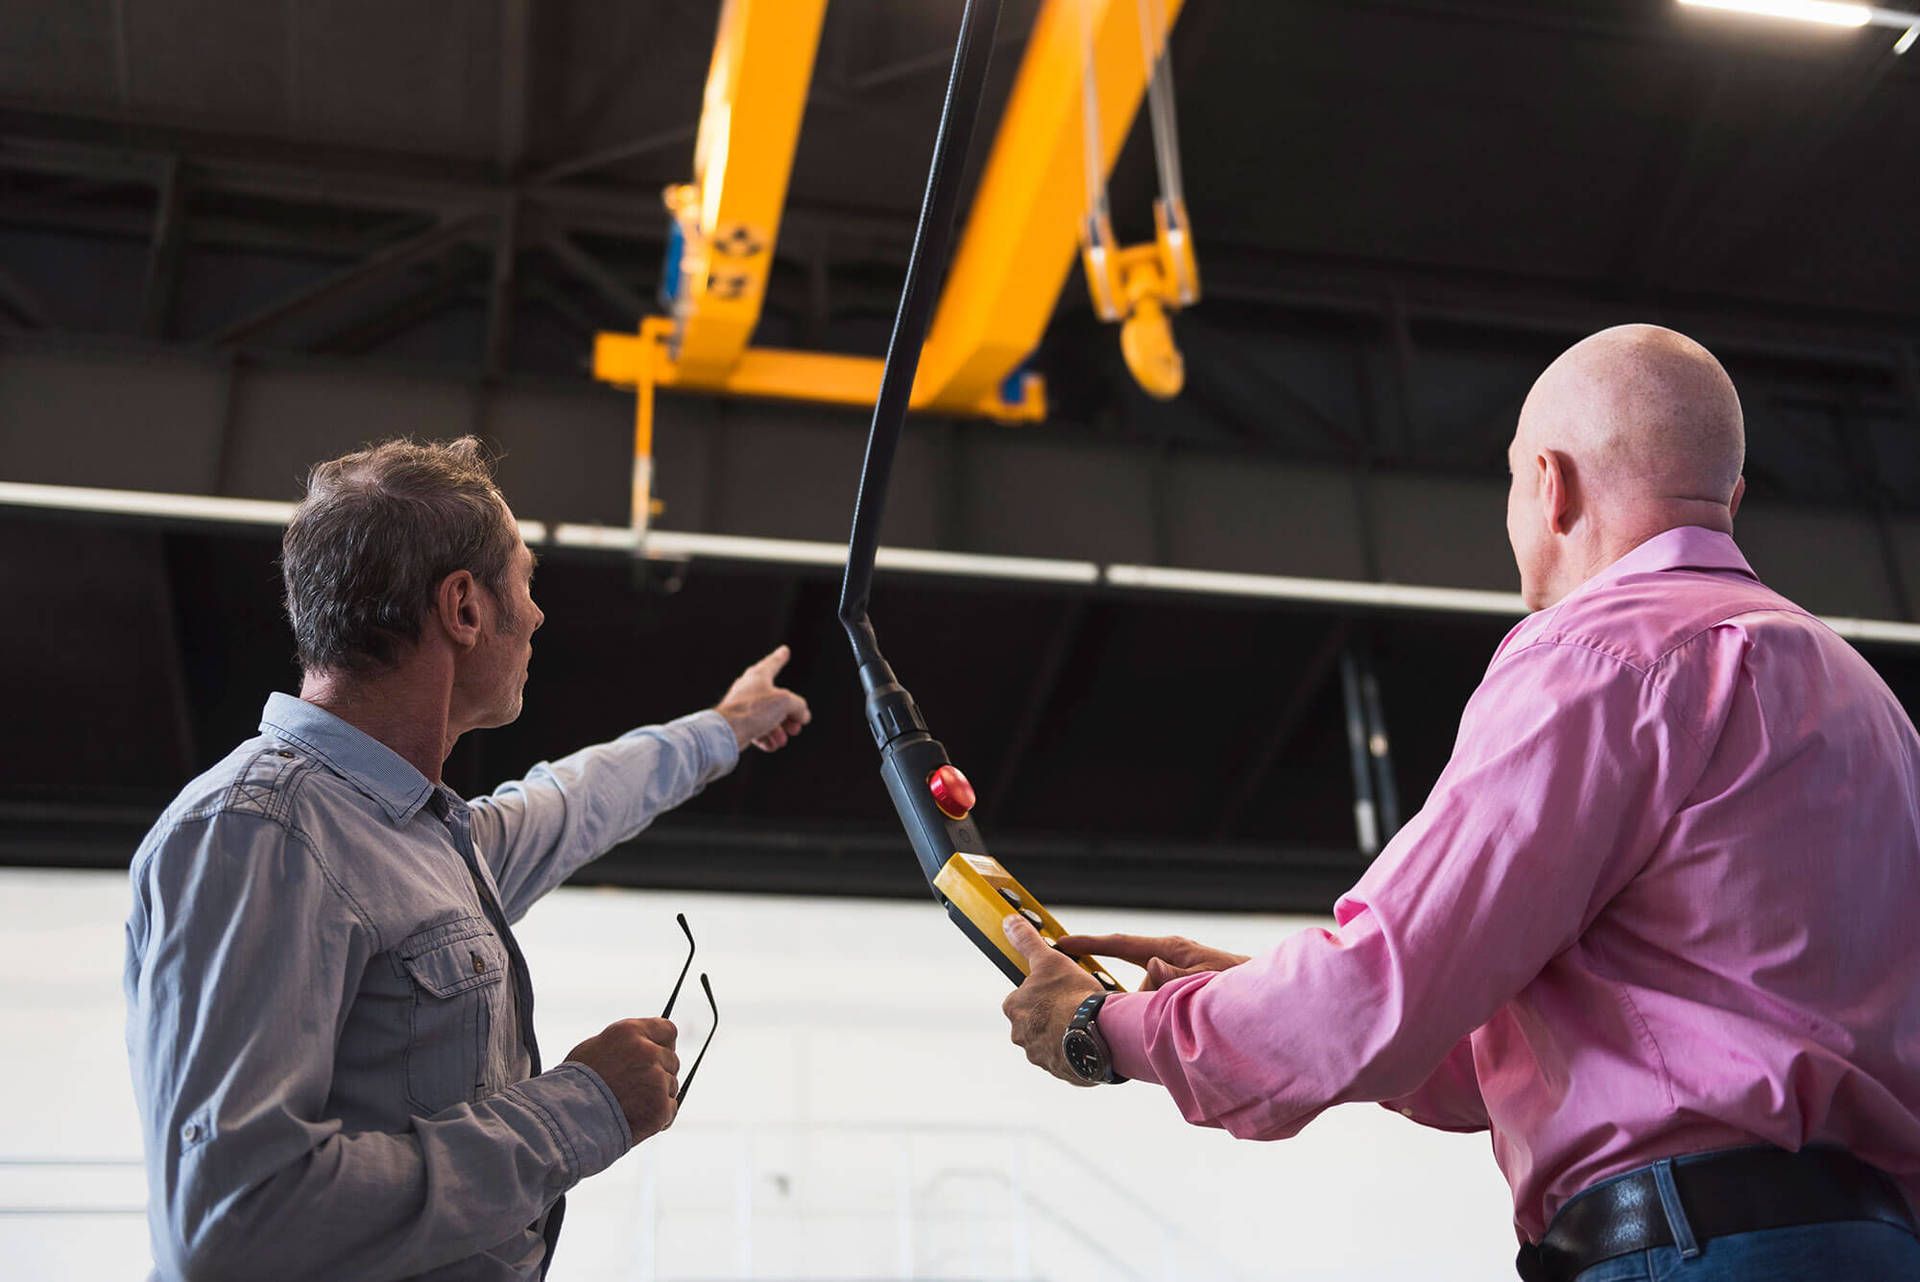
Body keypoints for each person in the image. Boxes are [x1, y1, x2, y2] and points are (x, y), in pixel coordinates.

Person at [999, 325, 1920, 1281]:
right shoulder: (1867, 703)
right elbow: (1528, 1032)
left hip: (1690, 1251)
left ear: (1549, 486)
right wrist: (1237, 995)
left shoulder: (1598, 659)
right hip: (1873, 1243)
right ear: (1730, 499)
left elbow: (1381, 987)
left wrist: (1108, 1031)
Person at [124, 436, 811, 1281]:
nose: (538, 614)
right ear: (463, 607)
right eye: (525, 581)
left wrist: (725, 728)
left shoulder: (416, 834)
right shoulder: (259, 834)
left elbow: (576, 800)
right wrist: (581, 1108)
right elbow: (236, 1221)